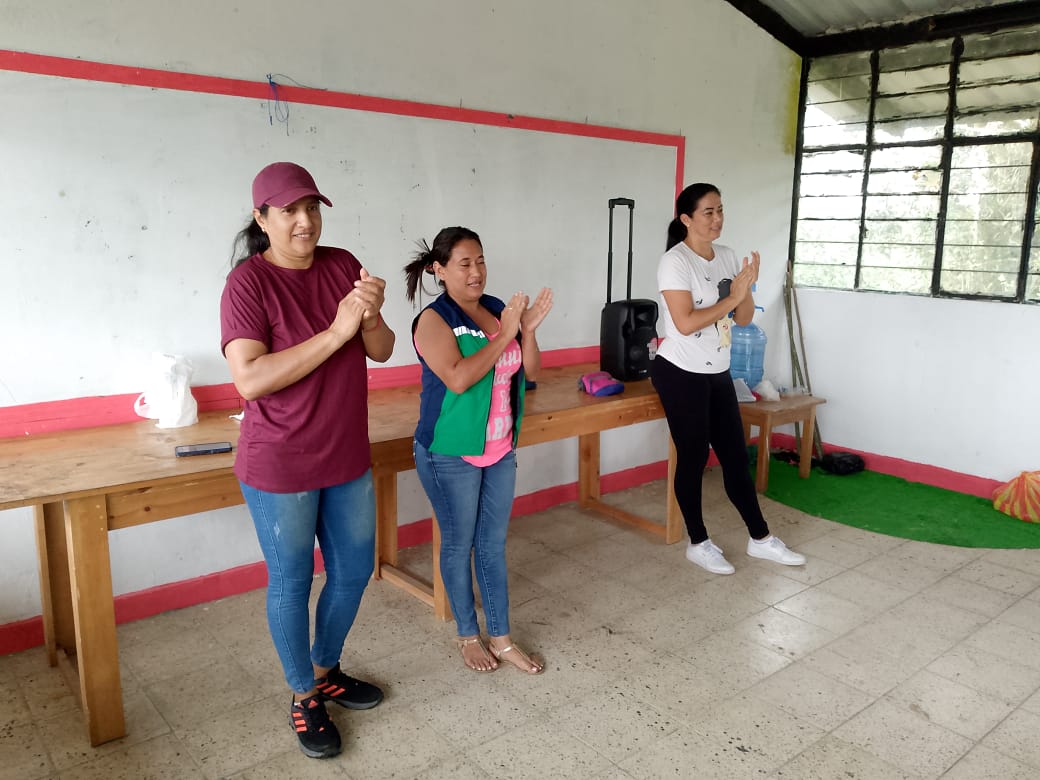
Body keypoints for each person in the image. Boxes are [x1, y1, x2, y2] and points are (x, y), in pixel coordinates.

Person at [220, 162, 396, 759]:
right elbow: (250, 378)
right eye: (289, 210)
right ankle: (303, 695)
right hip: (281, 464)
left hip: (345, 454)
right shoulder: (248, 284)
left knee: (352, 572)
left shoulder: (343, 264)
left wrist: (370, 315)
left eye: (312, 208)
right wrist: (338, 330)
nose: (305, 221)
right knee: (292, 582)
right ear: (261, 217)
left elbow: (381, 349)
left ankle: (324, 670)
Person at [403, 227, 552, 674]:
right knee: (458, 543)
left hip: (500, 447)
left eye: (481, 261)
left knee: (492, 545)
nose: (476, 272)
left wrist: (527, 332)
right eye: (464, 263)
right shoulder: (434, 320)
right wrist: (506, 336)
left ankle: (502, 639)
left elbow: (531, 372)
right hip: (450, 451)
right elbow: (458, 377)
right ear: (439, 269)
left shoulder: (496, 309)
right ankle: (468, 636)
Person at [653, 183, 806, 575]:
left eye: (720, 209)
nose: (717, 218)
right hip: (681, 372)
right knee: (693, 458)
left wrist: (747, 287)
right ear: (686, 219)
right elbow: (685, 323)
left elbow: (743, 318)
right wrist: (733, 297)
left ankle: (761, 539)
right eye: (708, 212)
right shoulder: (675, 262)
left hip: (717, 370)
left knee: (736, 457)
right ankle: (698, 542)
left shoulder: (727, 255)